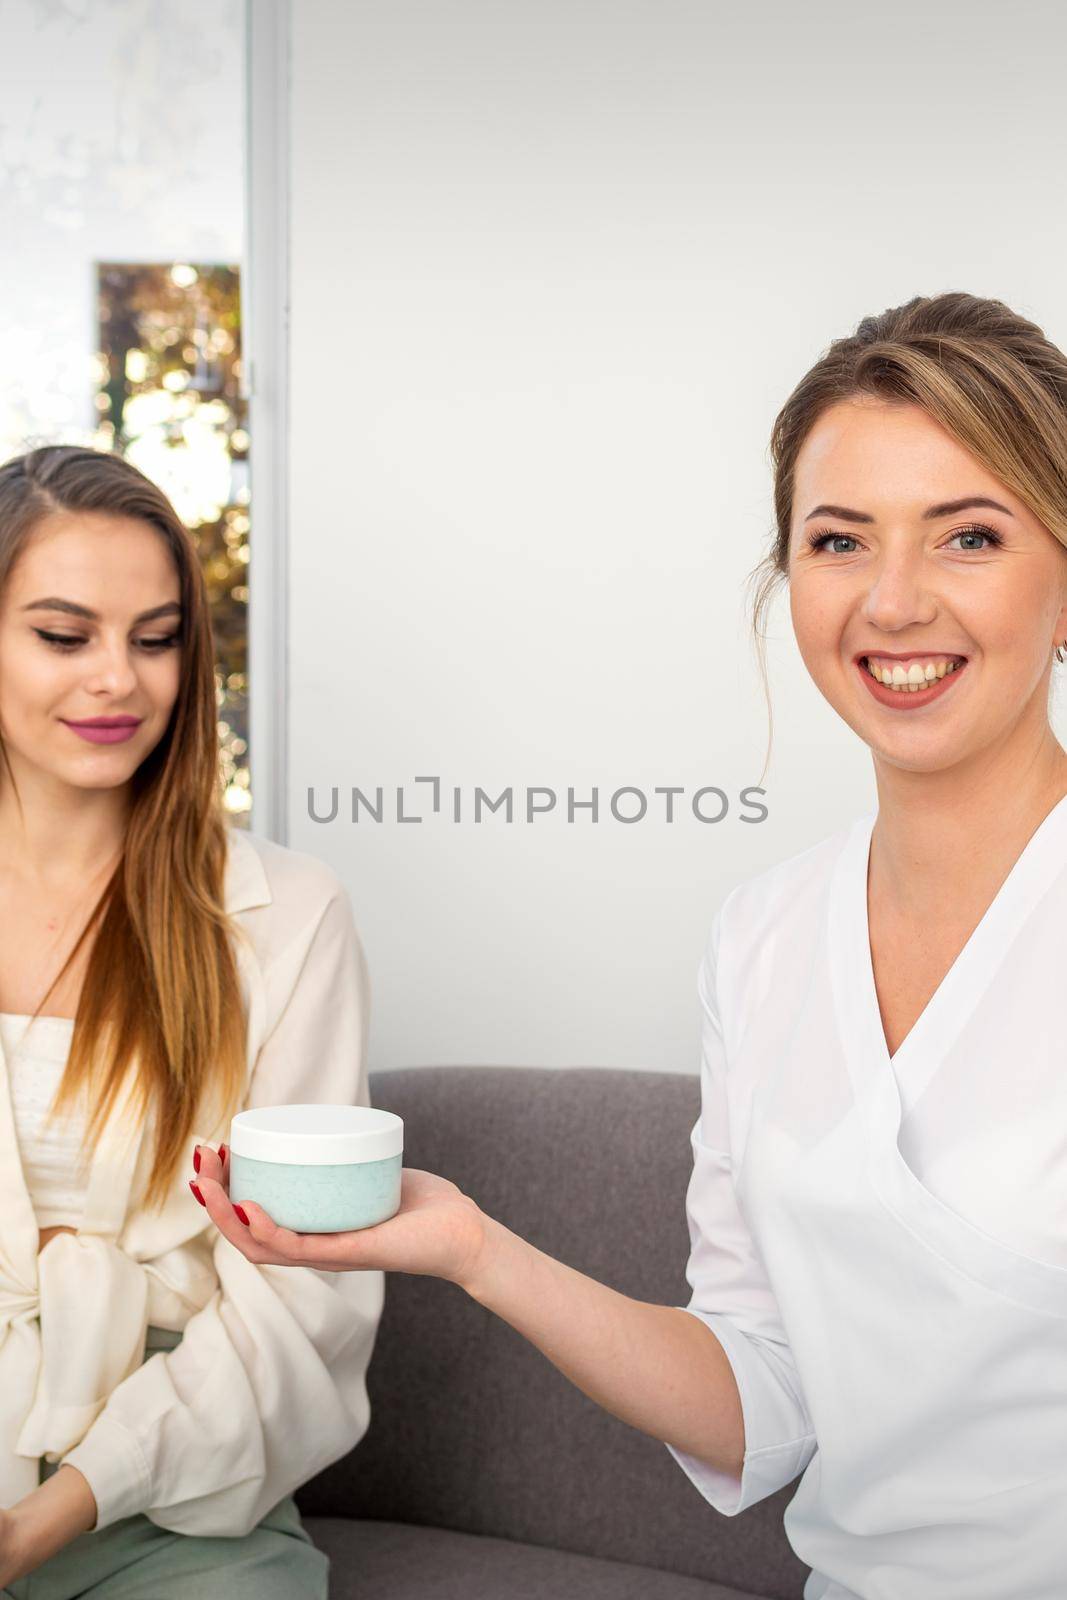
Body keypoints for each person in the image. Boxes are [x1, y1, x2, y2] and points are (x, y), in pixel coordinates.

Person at [194, 291, 1067, 1600]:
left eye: (968, 536)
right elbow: (758, 1404)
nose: (892, 601)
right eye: (837, 540)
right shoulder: (762, 939)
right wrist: (472, 1250)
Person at [0, 445, 383, 1598]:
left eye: (155, 637)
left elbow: (306, 1306)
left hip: (180, 1488)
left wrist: (48, 1516)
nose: (117, 678)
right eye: (64, 636)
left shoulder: (288, 918)